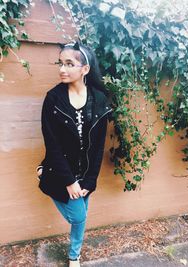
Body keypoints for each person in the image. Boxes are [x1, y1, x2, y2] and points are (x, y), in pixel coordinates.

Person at [36, 41, 112, 267]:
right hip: (62, 171)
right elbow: (52, 143)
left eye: (69, 64)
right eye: (61, 63)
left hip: (86, 172)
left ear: (85, 69)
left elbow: (99, 145)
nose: (62, 69)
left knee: (80, 219)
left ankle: (74, 255)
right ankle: (44, 175)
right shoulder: (53, 99)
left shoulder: (99, 100)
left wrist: (90, 180)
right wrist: (69, 182)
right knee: (77, 217)